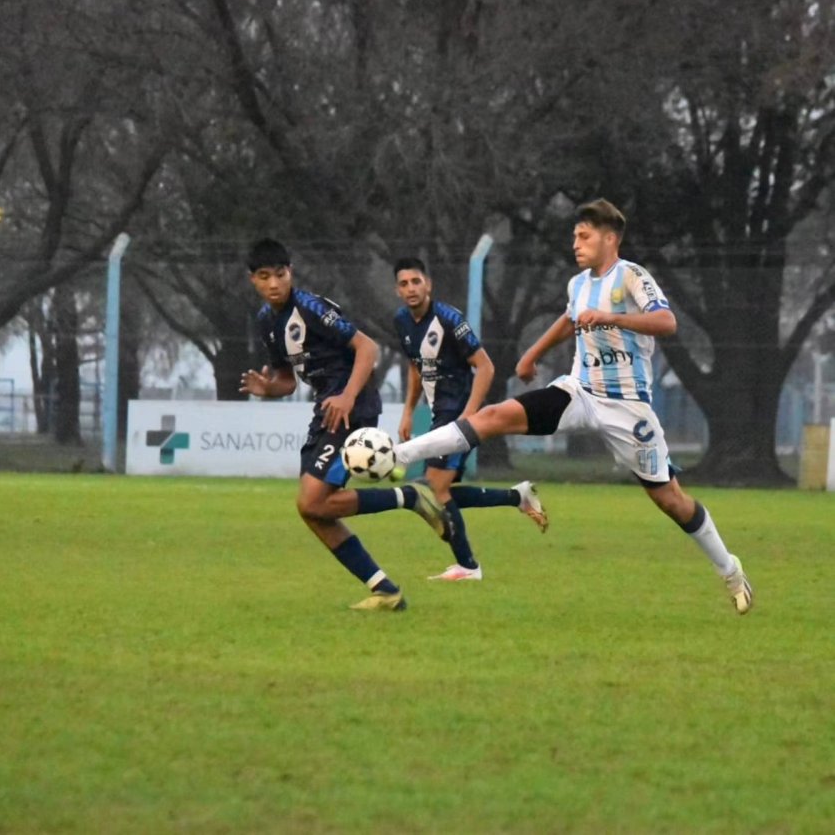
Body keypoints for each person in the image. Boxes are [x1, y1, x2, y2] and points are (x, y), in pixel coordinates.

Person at [391, 199, 753, 614]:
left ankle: (730, 569)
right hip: (578, 392)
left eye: (585, 236)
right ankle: (398, 453)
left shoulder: (631, 276)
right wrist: (532, 353)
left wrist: (613, 318)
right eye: (574, 236)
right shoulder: (578, 283)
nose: (576, 243)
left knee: (671, 500)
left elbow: (666, 322)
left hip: (627, 408)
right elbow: (570, 318)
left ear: (610, 239)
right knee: (492, 417)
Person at [240, 238, 451, 613]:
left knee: (311, 501)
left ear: (291, 273)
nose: (274, 283)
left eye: (280, 274)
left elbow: (367, 349)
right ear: (253, 280)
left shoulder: (309, 307)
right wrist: (269, 388)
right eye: (264, 276)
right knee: (312, 509)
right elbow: (287, 379)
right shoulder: (266, 322)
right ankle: (385, 589)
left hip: (351, 405)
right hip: (328, 408)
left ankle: (411, 498)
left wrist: (348, 396)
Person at [391, 257, 549, 582]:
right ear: (397, 289)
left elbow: (485, 366)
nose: (411, 288)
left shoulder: (449, 319)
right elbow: (414, 367)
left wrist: (468, 416)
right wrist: (407, 410)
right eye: (404, 283)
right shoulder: (402, 321)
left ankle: (469, 566)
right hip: (439, 415)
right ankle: (517, 497)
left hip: (458, 413)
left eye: (416, 281)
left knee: (433, 488)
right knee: (436, 489)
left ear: (428, 284)